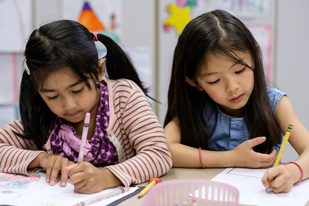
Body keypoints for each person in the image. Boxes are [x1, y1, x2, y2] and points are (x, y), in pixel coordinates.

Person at [0, 20, 172, 194]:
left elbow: (158, 155)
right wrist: (41, 159)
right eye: (52, 96)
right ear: (38, 90)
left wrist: (106, 177)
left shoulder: (124, 97)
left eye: (77, 90)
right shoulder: (44, 115)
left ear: (98, 71)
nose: (68, 105)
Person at [164, 9, 309, 193]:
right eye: (214, 81)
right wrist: (232, 158)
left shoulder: (276, 104)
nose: (232, 87)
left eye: (240, 70)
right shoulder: (198, 107)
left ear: (255, 56)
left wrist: (293, 171)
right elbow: (163, 149)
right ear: (194, 82)